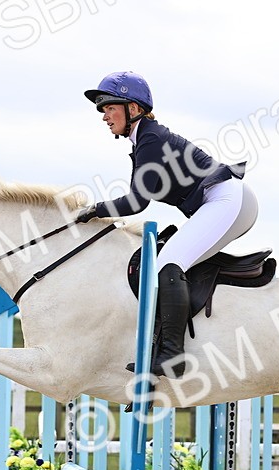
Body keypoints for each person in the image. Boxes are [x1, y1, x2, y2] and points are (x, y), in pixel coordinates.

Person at [74, 71, 258, 378]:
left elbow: (136, 203)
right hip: (224, 201)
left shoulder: (150, 139)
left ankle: (172, 355)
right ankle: (162, 347)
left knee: (168, 262)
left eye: (109, 107)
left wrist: (95, 209)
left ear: (133, 109)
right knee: (167, 261)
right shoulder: (144, 138)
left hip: (226, 200)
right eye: (102, 110)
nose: (104, 116)